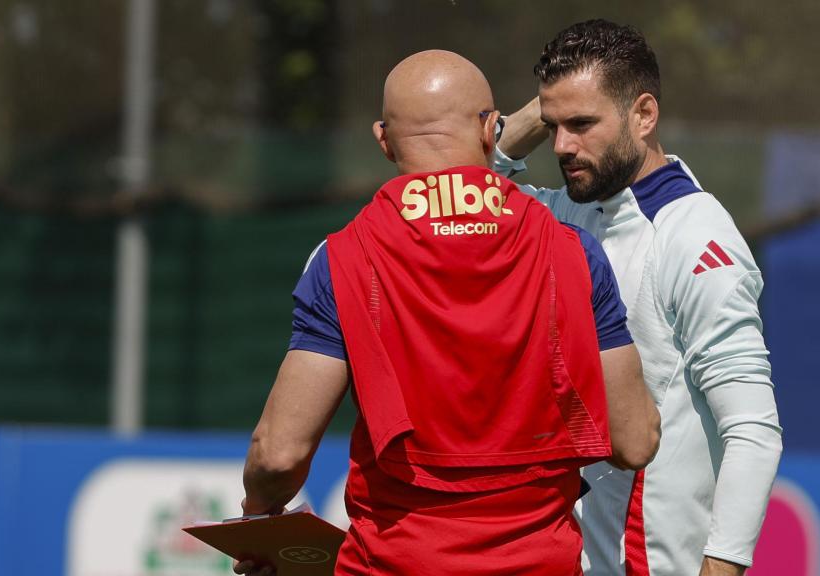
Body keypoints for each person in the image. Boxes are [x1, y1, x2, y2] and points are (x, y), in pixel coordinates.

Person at [235, 49, 660, 576]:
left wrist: (261, 523)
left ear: (383, 140)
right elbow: (634, 440)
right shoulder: (572, 253)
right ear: (490, 132)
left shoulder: (344, 257)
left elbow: (278, 454)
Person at [493, 20, 783, 576]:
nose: (560, 146)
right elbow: (470, 186)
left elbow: (752, 430)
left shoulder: (697, 238)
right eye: (551, 125)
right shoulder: (572, 206)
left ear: (644, 115)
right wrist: (551, 102)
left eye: (581, 123)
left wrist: (721, 568)